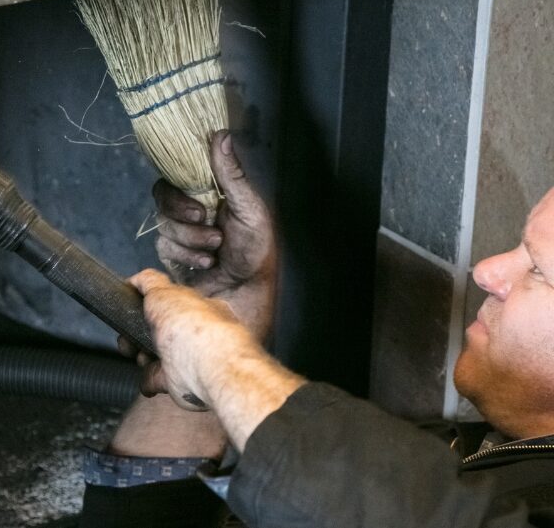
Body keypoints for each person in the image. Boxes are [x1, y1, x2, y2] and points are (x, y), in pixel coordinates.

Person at [79, 130, 554, 527]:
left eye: (538, 269)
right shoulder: (472, 453)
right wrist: (228, 310)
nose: (487, 271)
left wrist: (221, 359)